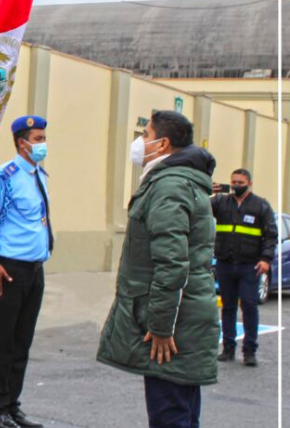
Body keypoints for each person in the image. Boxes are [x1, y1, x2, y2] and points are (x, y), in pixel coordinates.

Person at [97, 111, 219, 428]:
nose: (140, 142)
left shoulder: (169, 186)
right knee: (181, 409)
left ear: (162, 144)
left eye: (146, 134)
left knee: (170, 413)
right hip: (186, 315)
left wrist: (162, 327)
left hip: (175, 325)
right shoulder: (177, 182)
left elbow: (172, 263)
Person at [0, 115, 52, 428]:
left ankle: (12, 406)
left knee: (21, 342)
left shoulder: (38, 175)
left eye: (44, 138)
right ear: (23, 143)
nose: (43, 144)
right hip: (7, 270)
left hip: (34, 270)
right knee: (2, 343)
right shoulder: (5, 176)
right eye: (39, 139)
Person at [211, 169, 277, 367]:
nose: (236, 185)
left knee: (249, 306)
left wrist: (266, 259)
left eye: (240, 182)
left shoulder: (260, 205)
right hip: (225, 263)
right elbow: (199, 207)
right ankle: (228, 348)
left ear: (250, 183)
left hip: (250, 266)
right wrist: (207, 189)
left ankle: (250, 350)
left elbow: (271, 235)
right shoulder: (221, 202)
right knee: (228, 307)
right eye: (233, 182)